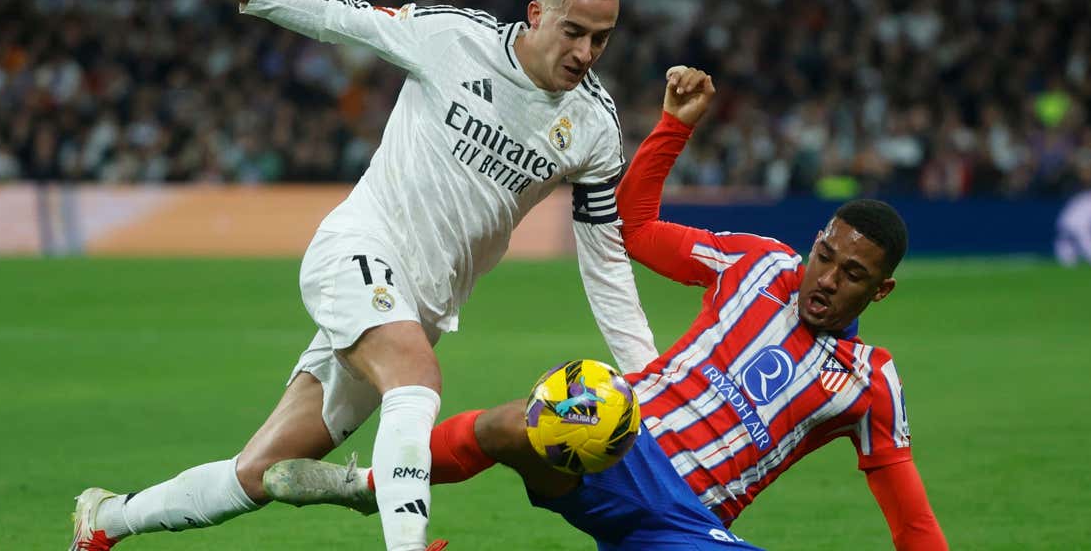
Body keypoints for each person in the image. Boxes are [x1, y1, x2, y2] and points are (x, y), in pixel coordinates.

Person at [69, 0, 660, 551]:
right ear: (537, 13)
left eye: (601, 39)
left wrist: (652, 376)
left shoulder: (595, 127)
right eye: (574, 32)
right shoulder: (450, 39)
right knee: (417, 378)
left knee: (253, 476)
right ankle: (406, 543)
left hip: (421, 306)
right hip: (357, 249)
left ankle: (105, 521)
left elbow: (605, 259)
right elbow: (336, 15)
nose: (585, 54)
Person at [266, 67, 949, 550]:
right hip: (618, 440)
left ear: (878, 291)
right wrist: (672, 130)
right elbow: (639, 229)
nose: (825, 278)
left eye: (851, 274)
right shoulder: (761, 264)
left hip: (688, 522)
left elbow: (912, 523)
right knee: (513, 424)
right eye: (825, 254)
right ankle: (371, 485)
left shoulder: (868, 382)